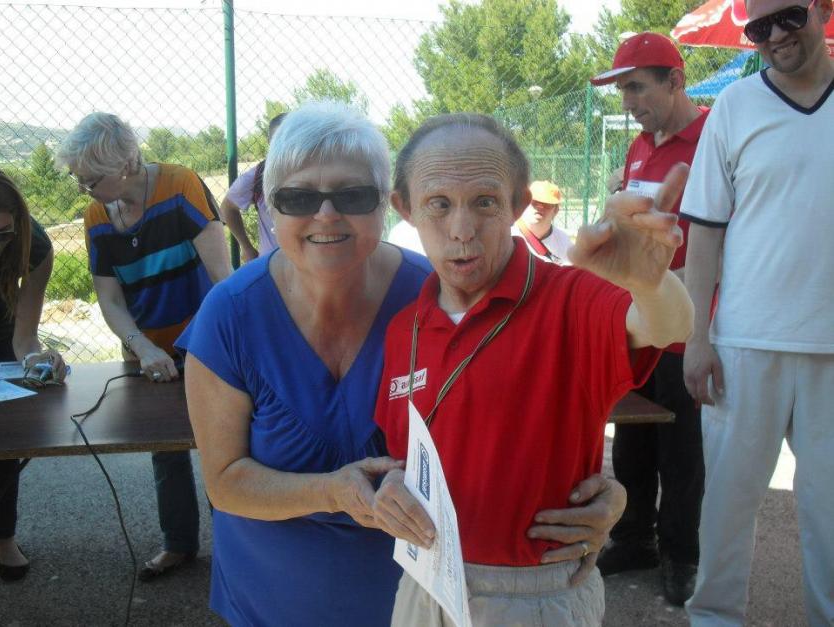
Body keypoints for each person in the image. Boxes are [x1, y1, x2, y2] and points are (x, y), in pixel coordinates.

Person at [178, 101, 629, 627]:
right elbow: (224, 480)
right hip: (274, 601)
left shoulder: (439, 292)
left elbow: (531, 404)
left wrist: (599, 492)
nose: (326, 215)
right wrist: (330, 491)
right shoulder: (231, 314)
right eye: (298, 197)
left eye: (352, 195)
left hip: (426, 598)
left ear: (387, 205)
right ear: (269, 208)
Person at [372, 113, 694, 626]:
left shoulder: (568, 298)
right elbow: (406, 454)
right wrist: (390, 487)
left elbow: (665, 324)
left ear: (518, 205)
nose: (461, 230)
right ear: (405, 208)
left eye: (485, 202)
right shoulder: (405, 327)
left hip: (531, 595)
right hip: (423, 582)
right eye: (439, 204)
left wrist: (649, 284)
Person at [680, 0, 834, 624]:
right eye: (759, 27)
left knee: (831, 514)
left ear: (823, 9)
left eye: (788, 16)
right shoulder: (735, 107)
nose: (775, 36)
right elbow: (705, 231)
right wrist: (697, 337)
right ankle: (714, 620)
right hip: (744, 342)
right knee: (726, 510)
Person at [56, 112, 232, 582]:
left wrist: (208, 346)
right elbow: (110, 300)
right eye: (79, 180)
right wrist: (141, 347)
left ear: (126, 164)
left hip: (206, 341)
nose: (84, 190)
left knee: (219, 445)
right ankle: (179, 545)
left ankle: (235, 551)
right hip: (146, 348)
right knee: (164, 451)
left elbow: (222, 278)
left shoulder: (180, 186)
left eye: (90, 180)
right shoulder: (96, 217)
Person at [588, 31, 710, 606]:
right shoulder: (639, 145)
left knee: (683, 448)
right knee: (633, 439)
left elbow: (724, 233)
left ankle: (682, 554)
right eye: (622, 91)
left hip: (688, 323)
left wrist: (674, 288)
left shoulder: (711, 137)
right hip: (637, 322)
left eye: (637, 87)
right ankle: (635, 538)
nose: (628, 101)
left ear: (675, 80)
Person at [0, 170, 67, 582]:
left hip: (2, 336)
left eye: (2, 234)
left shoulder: (35, 245)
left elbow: (24, 337)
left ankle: (3, 538)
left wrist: (38, 359)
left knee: (8, 434)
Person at [219, 113, 287, 262]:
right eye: (278, 141)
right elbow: (227, 207)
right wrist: (246, 247)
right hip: (271, 264)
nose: (285, 147)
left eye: (292, 139)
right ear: (269, 142)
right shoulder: (258, 176)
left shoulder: (317, 171)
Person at [512, 180, 572, 264]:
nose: (539, 207)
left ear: (556, 211)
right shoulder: (509, 234)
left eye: (546, 204)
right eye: (534, 202)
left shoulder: (563, 240)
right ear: (524, 203)